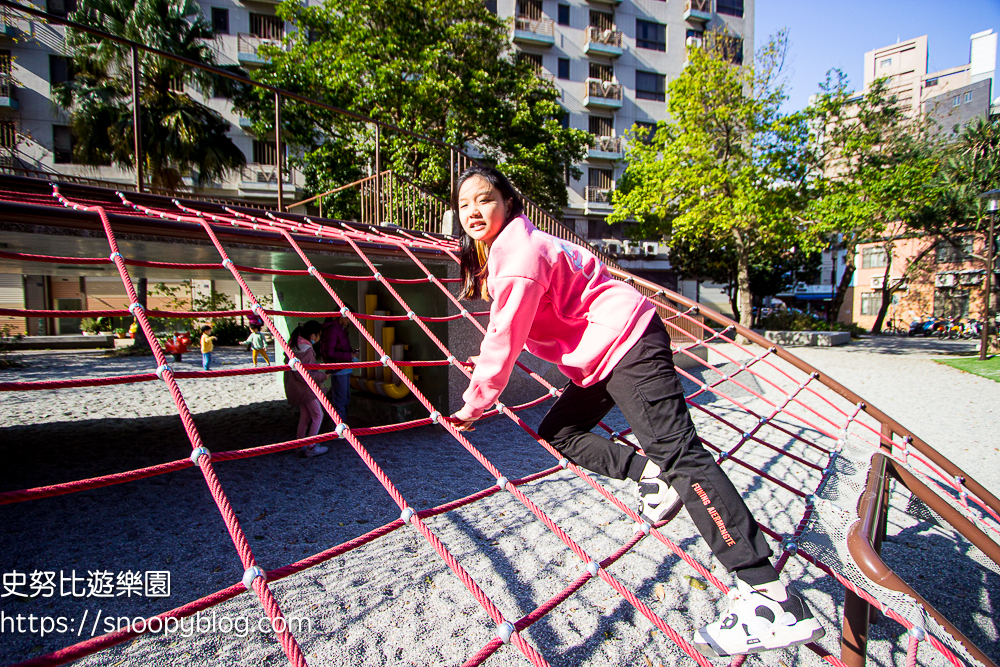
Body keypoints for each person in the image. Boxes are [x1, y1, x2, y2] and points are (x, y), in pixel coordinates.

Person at [447, 165, 824, 658]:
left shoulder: (516, 255)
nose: (475, 211)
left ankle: (769, 599)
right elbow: (510, 330)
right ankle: (649, 475)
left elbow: (505, 335)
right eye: (466, 203)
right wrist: (486, 368)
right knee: (560, 428)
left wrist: (476, 401)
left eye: (486, 199)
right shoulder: (517, 246)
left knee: (681, 454)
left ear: (508, 203)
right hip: (607, 348)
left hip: (626, 344)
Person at [283, 320, 328, 458]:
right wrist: (323, 376)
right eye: (320, 335)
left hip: (295, 388)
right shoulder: (307, 349)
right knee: (318, 415)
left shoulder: (295, 344)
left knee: (305, 415)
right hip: (305, 389)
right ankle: (311, 446)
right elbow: (306, 374)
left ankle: (300, 444)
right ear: (313, 336)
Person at [319, 312, 356, 422]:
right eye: (348, 318)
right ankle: (338, 429)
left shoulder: (339, 329)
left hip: (344, 368)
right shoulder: (334, 330)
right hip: (339, 370)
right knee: (340, 401)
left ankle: (341, 427)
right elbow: (330, 352)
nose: (349, 321)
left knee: (344, 399)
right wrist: (349, 355)